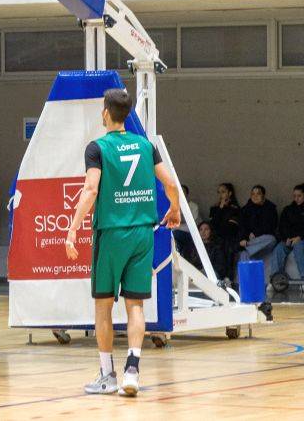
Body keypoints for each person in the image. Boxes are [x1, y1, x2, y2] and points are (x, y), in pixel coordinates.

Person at [65, 89, 181, 397]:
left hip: (112, 233)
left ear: (105, 113)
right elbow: (170, 182)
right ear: (126, 115)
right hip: (142, 233)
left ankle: (108, 375)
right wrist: (175, 209)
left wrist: (73, 229)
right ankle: (133, 369)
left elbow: (90, 190)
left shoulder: (97, 148)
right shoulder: (146, 145)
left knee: (103, 306)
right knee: (136, 305)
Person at [271, 183, 304, 280]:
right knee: (278, 249)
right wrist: (286, 238)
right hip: (289, 239)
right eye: (294, 196)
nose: (296, 198)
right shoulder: (288, 210)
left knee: (299, 247)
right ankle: (276, 278)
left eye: (299, 196)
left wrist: (300, 237)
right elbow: (282, 227)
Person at [238, 184, 278, 264]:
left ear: (263, 195)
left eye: (258, 194)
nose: (255, 196)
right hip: (249, 240)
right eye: (253, 194)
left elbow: (271, 226)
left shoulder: (270, 208)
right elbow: (242, 226)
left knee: (272, 239)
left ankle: (247, 246)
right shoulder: (245, 209)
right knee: (244, 254)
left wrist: (256, 234)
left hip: (263, 241)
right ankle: (247, 276)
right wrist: (244, 237)